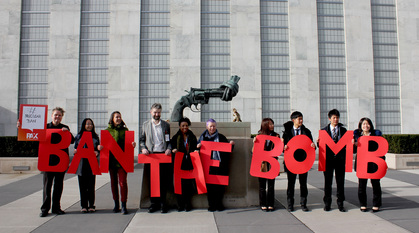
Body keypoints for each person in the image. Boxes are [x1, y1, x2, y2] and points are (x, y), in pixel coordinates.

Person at [41, 107, 74, 217]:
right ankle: (45, 209)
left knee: (58, 186)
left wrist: (67, 132)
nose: (57, 117)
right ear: (52, 116)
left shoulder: (64, 128)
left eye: (59, 115)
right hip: (48, 162)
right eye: (56, 115)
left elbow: (72, 140)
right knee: (47, 186)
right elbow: (31, 136)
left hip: (60, 162)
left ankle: (56, 208)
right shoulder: (45, 127)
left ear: (62, 117)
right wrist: (20, 126)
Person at [139, 103, 172, 214]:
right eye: (155, 112)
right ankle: (154, 204)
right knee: (152, 182)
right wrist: (143, 148)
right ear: (151, 112)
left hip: (163, 156)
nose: (157, 114)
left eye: (158, 112)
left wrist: (169, 148)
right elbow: (142, 140)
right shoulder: (145, 125)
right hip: (151, 156)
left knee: (163, 181)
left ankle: (163, 204)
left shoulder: (165, 125)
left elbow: (169, 141)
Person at [197, 118, 234, 212]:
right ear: (207, 127)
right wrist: (198, 147)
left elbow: (228, 150)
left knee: (220, 187)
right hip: (208, 166)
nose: (212, 128)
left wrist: (231, 145)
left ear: (216, 126)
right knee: (210, 187)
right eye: (210, 126)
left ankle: (219, 204)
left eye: (213, 126)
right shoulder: (202, 138)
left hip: (219, 165)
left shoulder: (221, 137)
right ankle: (211, 205)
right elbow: (196, 150)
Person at [102, 111, 136, 215]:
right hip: (111, 162)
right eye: (116, 117)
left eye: (120, 117)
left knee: (122, 183)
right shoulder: (107, 131)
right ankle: (116, 204)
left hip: (122, 162)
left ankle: (124, 205)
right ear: (112, 119)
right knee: (113, 183)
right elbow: (104, 145)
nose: (118, 119)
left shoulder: (125, 130)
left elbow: (128, 144)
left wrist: (132, 144)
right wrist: (100, 147)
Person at [283, 111, 316, 212]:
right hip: (291, 162)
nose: (301, 121)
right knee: (291, 184)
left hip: (303, 162)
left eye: (302, 118)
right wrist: (284, 147)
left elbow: (312, 145)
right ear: (293, 120)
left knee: (303, 184)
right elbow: (283, 147)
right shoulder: (287, 133)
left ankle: (303, 204)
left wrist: (313, 146)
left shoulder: (306, 131)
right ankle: (290, 204)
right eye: (299, 119)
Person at [318, 109, 348, 212]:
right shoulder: (324, 131)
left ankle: (340, 203)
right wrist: (318, 143)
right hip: (328, 161)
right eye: (334, 118)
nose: (336, 119)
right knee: (328, 183)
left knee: (340, 183)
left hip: (340, 161)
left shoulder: (343, 130)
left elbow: (346, 146)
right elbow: (322, 146)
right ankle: (327, 203)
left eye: (337, 118)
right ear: (329, 118)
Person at [353, 117, 384, 212]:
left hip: (374, 163)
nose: (365, 126)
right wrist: (353, 144)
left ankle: (376, 204)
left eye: (367, 124)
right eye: (363, 124)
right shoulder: (357, 136)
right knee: (362, 185)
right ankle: (363, 204)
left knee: (375, 184)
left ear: (370, 125)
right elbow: (354, 151)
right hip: (362, 163)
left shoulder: (376, 135)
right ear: (360, 126)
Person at [253, 118, 280, 212]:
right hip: (262, 164)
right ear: (265, 125)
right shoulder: (259, 136)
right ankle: (263, 203)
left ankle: (271, 203)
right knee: (262, 185)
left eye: (272, 124)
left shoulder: (276, 136)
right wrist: (255, 143)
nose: (272, 126)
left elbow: (278, 150)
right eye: (270, 124)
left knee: (271, 185)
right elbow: (254, 151)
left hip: (272, 163)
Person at [171, 117, 198, 211]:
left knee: (188, 186)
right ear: (179, 126)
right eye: (183, 126)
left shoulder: (192, 136)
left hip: (189, 164)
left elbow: (195, 146)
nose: (185, 127)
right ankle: (180, 205)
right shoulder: (176, 137)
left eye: (186, 125)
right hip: (179, 164)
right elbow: (172, 147)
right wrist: (173, 150)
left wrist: (196, 150)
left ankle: (187, 205)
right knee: (179, 186)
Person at [74, 118, 100, 213]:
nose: (89, 126)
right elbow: (76, 148)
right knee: (82, 186)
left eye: (91, 124)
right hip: (81, 163)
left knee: (91, 185)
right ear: (83, 125)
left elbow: (98, 149)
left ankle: (91, 205)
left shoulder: (95, 137)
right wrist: (76, 151)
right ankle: (84, 206)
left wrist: (97, 151)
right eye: (87, 124)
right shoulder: (79, 136)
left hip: (91, 163)